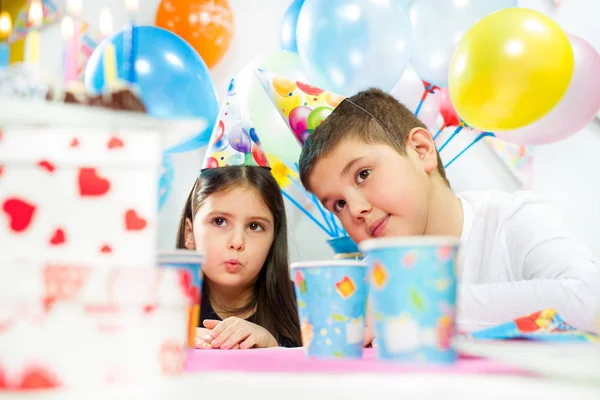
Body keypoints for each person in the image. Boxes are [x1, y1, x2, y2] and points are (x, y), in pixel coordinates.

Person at [257, 70, 600, 334]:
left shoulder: (515, 220)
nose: (356, 210)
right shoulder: (373, 280)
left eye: (363, 174)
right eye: (338, 205)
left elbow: (590, 300)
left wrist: (417, 306)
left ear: (421, 150)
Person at [176, 79, 301, 349]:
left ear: (273, 236)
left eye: (255, 226)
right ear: (189, 233)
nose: (237, 241)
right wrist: (166, 342)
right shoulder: (158, 308)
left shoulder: (308, 310)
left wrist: (274, 351)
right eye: (219, 221)